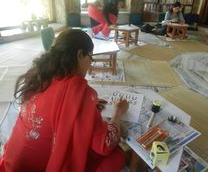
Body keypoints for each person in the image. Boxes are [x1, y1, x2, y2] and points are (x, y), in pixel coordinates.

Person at [0, 29, 129, 172]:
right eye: (90, 58)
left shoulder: (39, 75)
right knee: (117, 156)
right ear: (80, 55)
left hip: (12, 163)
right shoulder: (77, 90)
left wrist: (85, 108)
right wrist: (117, 113)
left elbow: (55, 110)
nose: (90, 64)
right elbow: (105, 144)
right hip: (42, 166)